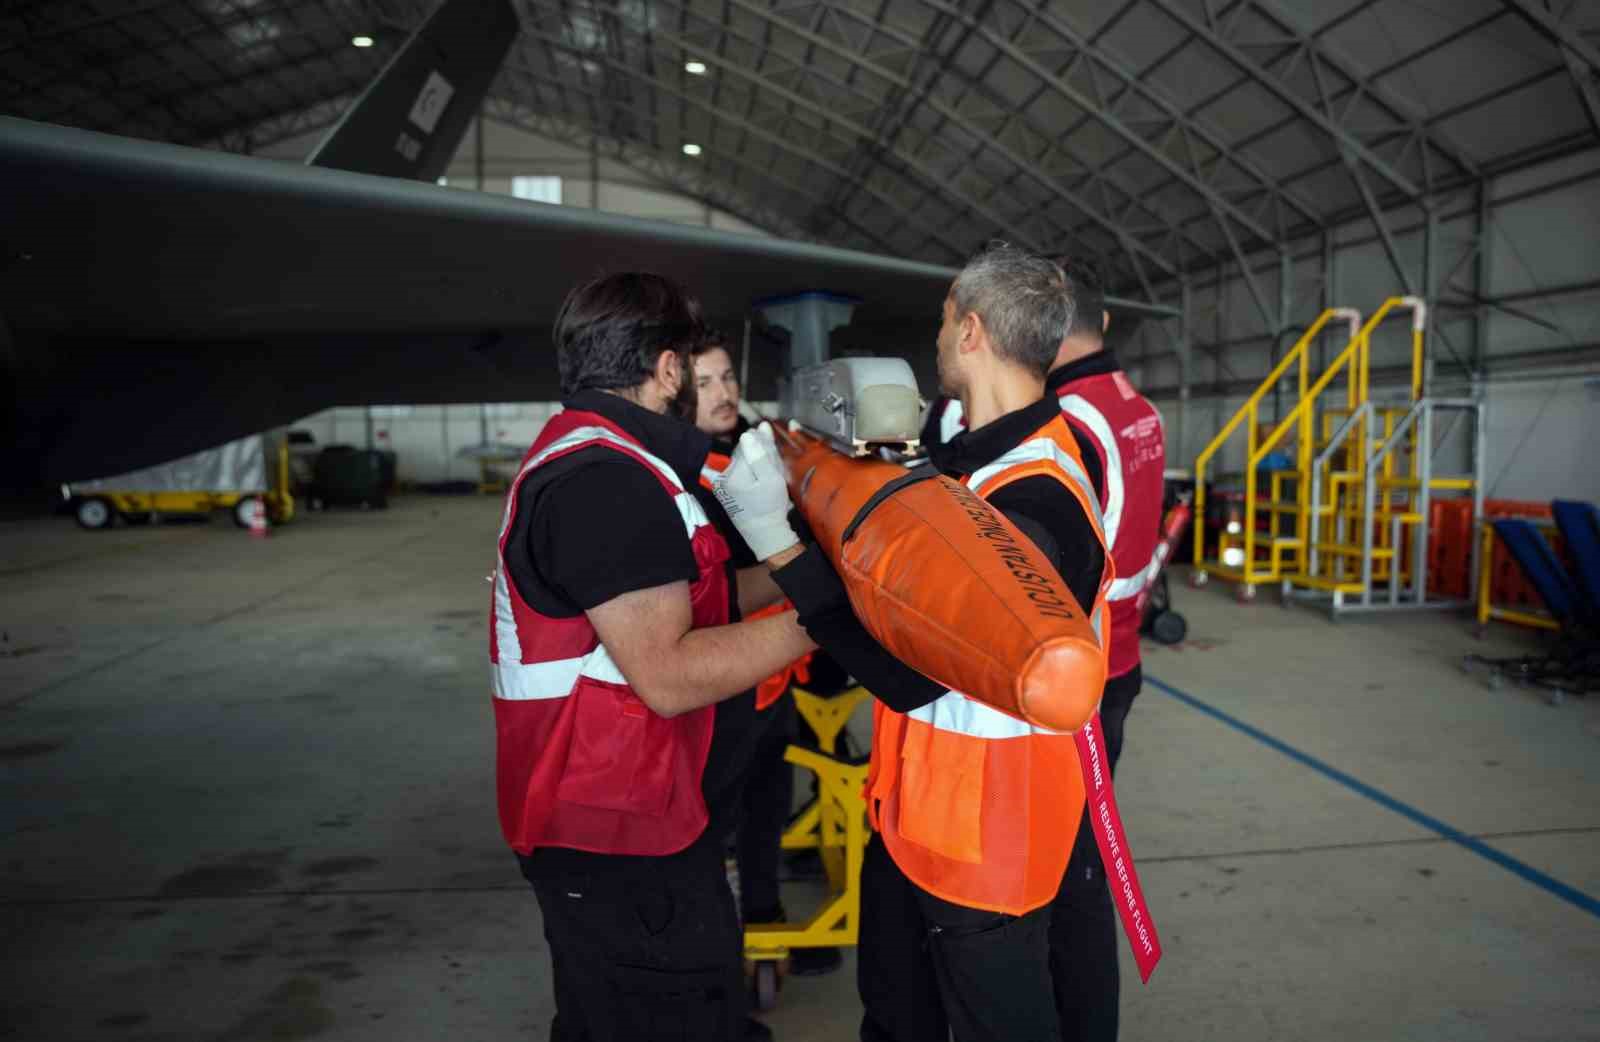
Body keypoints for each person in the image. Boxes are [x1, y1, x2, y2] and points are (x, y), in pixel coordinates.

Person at [716, 244, 1112, 1042]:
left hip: (987, 850)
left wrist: (778, 543)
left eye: (940, 324)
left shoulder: (1033, 495)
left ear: (970, 333)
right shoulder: (982, 463)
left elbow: (913, 675)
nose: (934, 342)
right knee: (896, 1016)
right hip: (921, 820)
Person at [490, 272, 816, 1042]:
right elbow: (667, 674)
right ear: (668, 369)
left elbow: (693, 599)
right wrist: (826, 617)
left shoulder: (609, 457)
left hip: (633, 812)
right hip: (617, 835)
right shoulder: (605, 481)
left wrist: (805, 568)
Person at [919, 260, 1166, 1042]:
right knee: (1078, 878)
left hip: (1071, 680)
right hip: (1106, 653)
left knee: (1072, 893)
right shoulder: (1134, 408)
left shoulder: (1074, 420)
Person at [685, 335, 840, 976]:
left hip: (772, 675)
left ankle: (766, 923)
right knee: (715, 822)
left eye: (726, 377)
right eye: (704, 383)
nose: (723, 393)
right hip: (726, 678)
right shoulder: (687, 477)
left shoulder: (753, 449)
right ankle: (720, 960)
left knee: (766, 807)